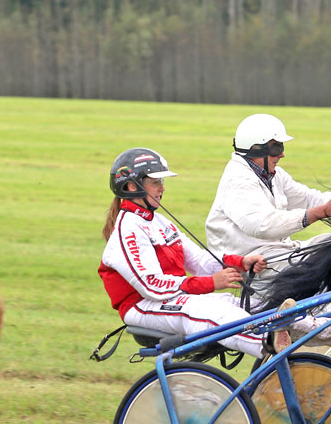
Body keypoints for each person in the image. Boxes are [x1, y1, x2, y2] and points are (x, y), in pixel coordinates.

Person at [205, 113, 331, 344]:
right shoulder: (238, 179)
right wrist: (320, 213)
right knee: (320, 264)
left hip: (276, 251)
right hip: (253, 261)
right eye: (276, 147)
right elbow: (263, 225)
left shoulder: (273, 174)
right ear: (256, 149)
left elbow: (312, 199)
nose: (282, 153)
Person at [99, 147, 270, 359]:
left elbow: (199, 261)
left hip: (171, 299)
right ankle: (271, 347)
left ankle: (318, 328)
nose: (162, 188)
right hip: (142, 306)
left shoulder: (160, 222)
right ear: (132, 186)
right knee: (214, 314)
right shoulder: (128, 230)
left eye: (162, 182)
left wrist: (240, 262)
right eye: (156, 182)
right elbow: (151, 286)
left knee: (250, 305)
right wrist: (209, 284)